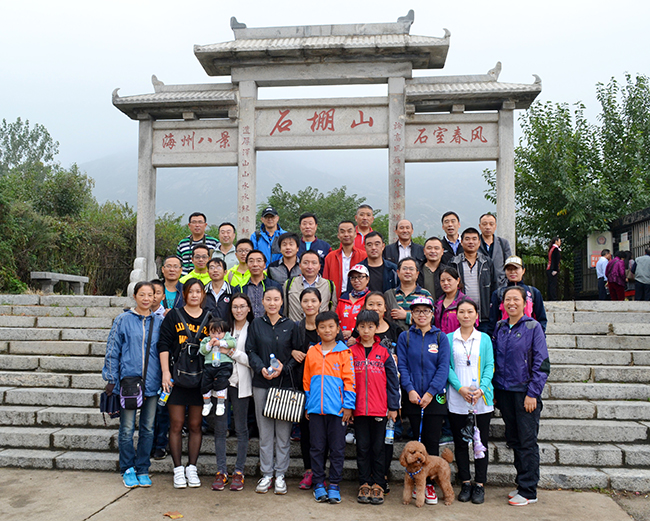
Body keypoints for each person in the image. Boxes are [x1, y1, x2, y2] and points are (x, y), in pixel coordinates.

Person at [493, 286, 550, 506]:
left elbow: (542, 363)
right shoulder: (500, 327)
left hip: (525, 393)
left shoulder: (533, 327)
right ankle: (521, 483)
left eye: (516, 299)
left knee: (527, 441)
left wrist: (533, 393)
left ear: (525, 303)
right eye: (508, 299)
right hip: (505, 393)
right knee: (515, 440)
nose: (511, 303)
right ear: (503, 304)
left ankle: (529, 490)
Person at [102, 281, 163, 488]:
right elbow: (113, 349)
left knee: (148, 428)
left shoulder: (159, 321)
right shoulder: (123, 320)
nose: (146, 299)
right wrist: (112, 378)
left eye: (150, 295)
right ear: (135, 296)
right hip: (129, 382)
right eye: (142, 294)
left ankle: (143, 468)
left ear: (155, 297)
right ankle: (127, 467)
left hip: (152, 382)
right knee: (127, 428)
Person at [396, 296, 451, 506]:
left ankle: (429, 484)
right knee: (415, 441)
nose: (421, 314)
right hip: (412, 397)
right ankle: (414, 482)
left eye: (425, 311)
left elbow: (443, 367)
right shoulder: (405, 337)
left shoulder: (440, 337)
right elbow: (402, 366)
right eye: (417, 311)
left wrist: (430, 393)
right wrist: (409, 390)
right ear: (412, 314)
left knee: (431, 441)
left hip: (434, 398)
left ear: (432, 314)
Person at [158, 278, 211, 489]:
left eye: (198, 291)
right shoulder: (173, 315)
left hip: (200, 378)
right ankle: (178, 469)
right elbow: (163, 344)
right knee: (177, 424)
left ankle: (192, 468)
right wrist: (165, 373)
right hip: (177, 377)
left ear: (203, 294)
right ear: (185, 294)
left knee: (196, 425)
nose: (195, 295)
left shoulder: (209, 317)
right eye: (191, 291)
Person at [245, 287, 298, 495]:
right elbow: (250, 350)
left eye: (276, 299)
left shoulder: (291, 325)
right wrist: (261, 369)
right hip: (262, 383)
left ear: (282, 302)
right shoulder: (256, 324)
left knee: (283, 434)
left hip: (284, 385)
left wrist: (283, 368)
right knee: (265, 433)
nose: (272, 303)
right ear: (262, 302)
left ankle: (281, 474)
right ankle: (267, 474)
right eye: (268, 299)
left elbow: (296, 354)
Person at [303, 311, 356, 504]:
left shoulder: (345, 352)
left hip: (338, 411)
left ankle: (334, 484)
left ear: (338, 328)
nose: (327, 330)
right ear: (317, 330)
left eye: (331, 326)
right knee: (317, 448)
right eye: (323, 327)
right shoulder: (312, 352)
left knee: (337, 449)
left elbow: (350, 381)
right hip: (316, 410)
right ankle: (318, 483)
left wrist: (348, 406)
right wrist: (308, 404)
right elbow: (307, 381)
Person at [446, 298, 494, 505]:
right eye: (462, 312)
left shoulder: (484, 338)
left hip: (481, 399)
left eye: (470, 312)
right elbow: (447, 367)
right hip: (457, 398)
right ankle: (465, 482)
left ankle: (480, 484)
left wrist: (481, 389)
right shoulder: (449, 338)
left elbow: (490, 365)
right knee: (460, 442)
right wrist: (460, 388)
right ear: (456, 315)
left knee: (480, 443)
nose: (466, 315)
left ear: (476, 315)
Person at [351, 310, 400, 505]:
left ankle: (379, 483)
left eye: (370, 327)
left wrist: (393, 407)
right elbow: (346, 382)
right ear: (357, 328)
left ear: (376, 328)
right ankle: (364, 483)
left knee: (379, 448)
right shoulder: (351, 352)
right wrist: (348, 407)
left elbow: (393, 382)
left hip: (380, 409)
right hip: (358, 410)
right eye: (362, 326)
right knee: (362, 447)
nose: (366, 330)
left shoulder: (384, 352)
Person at [211, 293, 254, 492]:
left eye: (242, 306)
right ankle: (221, 471)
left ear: (249, 308)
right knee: (220, 428)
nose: (238, 310)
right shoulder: (223, 328)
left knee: (241, 428)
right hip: (221, 382)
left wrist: (231, 352)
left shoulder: (253, 329)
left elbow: (253, 359)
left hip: (241, 383)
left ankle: (239, 471)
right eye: (235, 306)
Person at [292, 287, 323, 491]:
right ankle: (309, 470)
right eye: (305, 301)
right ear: (300, 304)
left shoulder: (328, 325)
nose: (309, 305)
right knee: (306, 430)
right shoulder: (296, 327)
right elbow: (285, 348)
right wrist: (292, 352)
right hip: (302, 385)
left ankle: (321, 471)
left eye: (313, 301)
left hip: (324, 386)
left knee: (322, 432)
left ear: (320, 303)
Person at [450, 228, 496, 333]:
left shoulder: (487, 262)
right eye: (467, 239)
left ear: (479, 242)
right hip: (462, 316)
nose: (471, 242)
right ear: (461, 242)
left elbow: (494, 286)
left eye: (474, 239)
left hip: (483, 316)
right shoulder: (454, 263)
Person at [487, 256, 547, 337]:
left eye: (516, 269)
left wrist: (539, 337)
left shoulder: (533, 292)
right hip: (504, 337)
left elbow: (541, 318)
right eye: (509, 269)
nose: (512, 272)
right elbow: (493, 321)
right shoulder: (498, 293)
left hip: (528, 336)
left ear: (523, 270)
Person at [284, 250, 337, 322]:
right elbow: (285, 308)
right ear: (300, 266)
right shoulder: (290, 283)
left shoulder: (328, 285)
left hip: (320, 326)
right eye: (306, 263)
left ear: (319, 266)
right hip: (295, 326)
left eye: (314, 263)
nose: (310, 267)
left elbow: (333, 309)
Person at [199, 317, 235, 416]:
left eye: (219, 333)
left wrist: (221, 343)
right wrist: (209, 344)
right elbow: (202, 351)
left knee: (221, 383)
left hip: (224, 365)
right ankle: (207, 403)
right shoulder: (206, 340)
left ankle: (220, 404)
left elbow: (233, 343)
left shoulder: (227, 337)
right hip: (209, 365)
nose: (216, 336)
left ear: (224, 332)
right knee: (205, 384)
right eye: (213, 333)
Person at [384, 257, 431, 332]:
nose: (408, 272)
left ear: (417, 274)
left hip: (418, 336)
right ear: (398, 273)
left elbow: (431, 319)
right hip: (394, 337)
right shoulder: (390, 294)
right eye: (404, 269)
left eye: (411, 269)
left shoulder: (425, 294)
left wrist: (406, 316)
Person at [324, 220, 367, 298]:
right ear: (338, 235)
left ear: (355, 234)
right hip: (335, 297)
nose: (346, 234)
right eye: (342, 232)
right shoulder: (330, 257)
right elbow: (325, 282)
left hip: (358, 298)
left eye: (349, 231)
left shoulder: (363, 256)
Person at [237, 250, 281, 318]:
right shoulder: (240, 288)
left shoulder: (275, 286)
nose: (255, 264)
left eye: (259, 261)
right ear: (247, 265)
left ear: (264, 265)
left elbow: (280, 309)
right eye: (251, 261)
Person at [336, 264, 371, 341]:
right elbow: (336, 320)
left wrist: (354, 334)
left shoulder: (371, 298)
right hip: (341, 340)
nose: (356, 280)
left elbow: (373, 323)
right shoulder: (343, 298)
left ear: (367, 279)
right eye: (353, 277)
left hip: (362, 341)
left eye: (360, 277)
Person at [478, 213, 512, 288]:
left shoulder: (503, 243)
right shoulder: (475, 243)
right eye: (484, 224)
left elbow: (509, 264)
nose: (488, 227)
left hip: (500, 285)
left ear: (495, 226)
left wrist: (506, 281)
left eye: (491, 224)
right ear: (480, 226)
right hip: (480, 285)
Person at [434, 267, 467, 334]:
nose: (446, 283)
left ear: (458, 280)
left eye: (449, 280)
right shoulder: (438, 303)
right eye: (442, 280)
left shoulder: (465, 302)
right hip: (440, 339)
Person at [417, 237, 447, 301]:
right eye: (429, 248)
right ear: (424, 251)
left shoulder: (448, 271)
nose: (433, 251)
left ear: (442, 251)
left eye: (436, 248)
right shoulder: (417, 271)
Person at [546, 236, 562, 301]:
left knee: (550, 284)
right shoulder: (555, 249)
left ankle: (550, 297)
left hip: (549, 268)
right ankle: (553, 297)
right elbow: (555, 260)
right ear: (556, 241)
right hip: (552, 269)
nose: (560, 243)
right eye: (559, 241)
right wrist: (555, 269)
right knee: (553, 284)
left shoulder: (551, 249)